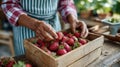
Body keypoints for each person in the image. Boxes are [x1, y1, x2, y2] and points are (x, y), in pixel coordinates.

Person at [1, 0, 89, 56]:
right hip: (25, 27)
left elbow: (66, 2)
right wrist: (34, 24)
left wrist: (73, 18)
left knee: (55, 60)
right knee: (28, 60)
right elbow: (8, 4)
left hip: (53, 26)